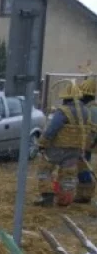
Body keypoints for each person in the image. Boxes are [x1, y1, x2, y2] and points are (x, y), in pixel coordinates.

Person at [35, 79, 91, 207]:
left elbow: (52, 129)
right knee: (68, 174)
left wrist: (42, 143)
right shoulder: (86, 112)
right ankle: (65, 199)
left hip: (57, 148)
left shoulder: (63, 111)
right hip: (75, 149)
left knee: (45, 170)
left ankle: (47, 197)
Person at [74, 74, 97, 203]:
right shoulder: (94, 108)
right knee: (83, 164)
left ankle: (85, 193)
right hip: (89, 141)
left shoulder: (87, 109)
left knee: (82, 165)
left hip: (86, 141)